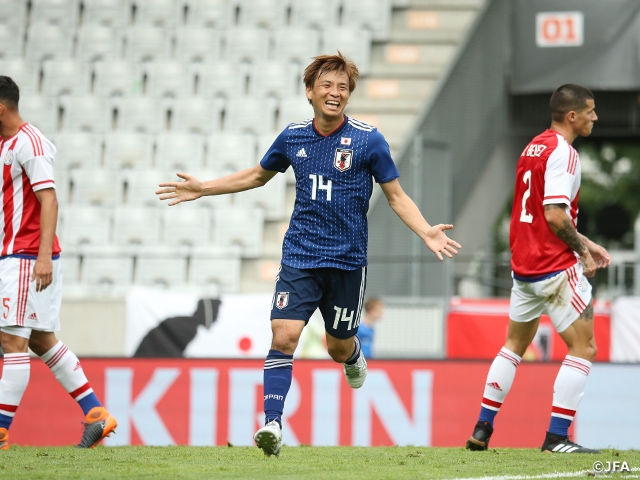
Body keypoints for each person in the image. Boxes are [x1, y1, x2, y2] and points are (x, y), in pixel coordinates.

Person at [157, 52, 460, 457]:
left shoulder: (369, 140)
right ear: (310, 92)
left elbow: (396, 196)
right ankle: (273, 424)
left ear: (349, 95)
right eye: (327, 86)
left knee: (337, 347)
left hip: (348, 263)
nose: (334, 93)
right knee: (284, 335)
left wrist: (425, 231)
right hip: (300, 256)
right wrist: (202, 188)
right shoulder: (293, 137)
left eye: (342, 87)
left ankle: (352, 355)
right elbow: (255, 176)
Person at [465, 84, 610, 454]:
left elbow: (536, 213)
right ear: (572, 116)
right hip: (554, 267)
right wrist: (583, 253)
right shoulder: (565, 153)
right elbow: (554, 214)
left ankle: (482, 428)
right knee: (585, 347)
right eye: (590, 111)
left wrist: (586, 241)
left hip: (524, 268)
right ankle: (556, 437)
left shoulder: (533, 146)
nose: (595, 117)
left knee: (513, 345)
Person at [0, 76, 117, 450]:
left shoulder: (30, 144)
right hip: (15, 254)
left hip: (27, 256)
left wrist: (44, 256)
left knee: (11, 341)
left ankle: (0, 430)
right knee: (40, 339)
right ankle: (96, 414)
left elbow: (48, 200)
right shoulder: (6, 144)